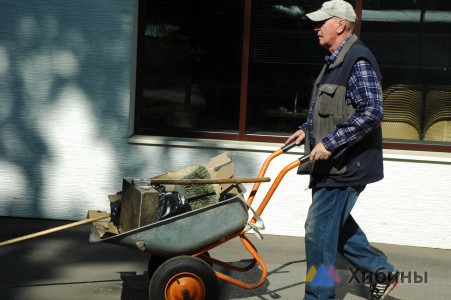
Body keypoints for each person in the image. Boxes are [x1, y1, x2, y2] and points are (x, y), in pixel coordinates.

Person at [285, 1, 401, 299]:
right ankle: (383, 273)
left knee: (318, 233)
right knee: (334, 227)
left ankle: (318, 296)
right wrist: (306, 129)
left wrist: (329, 142)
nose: (316, 27)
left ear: (341, 25)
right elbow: (335, 108)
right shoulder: (336, 60)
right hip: (334, 164)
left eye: (322, 21)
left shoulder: (357, 59)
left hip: (346, 165)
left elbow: (372, 111)